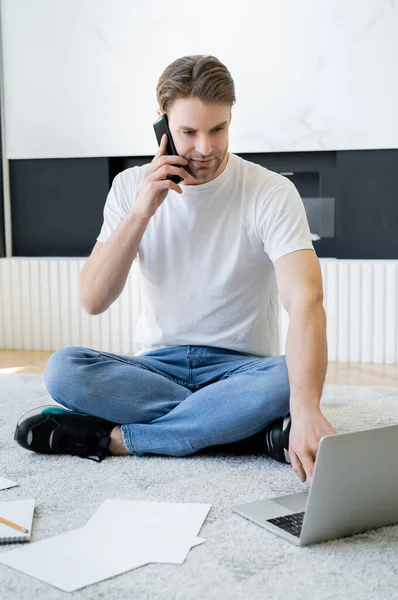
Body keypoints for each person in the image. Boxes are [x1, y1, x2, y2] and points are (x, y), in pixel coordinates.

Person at [14, 54, 336, 483]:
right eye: (188, 132)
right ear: (163, 122)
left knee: (288, 382)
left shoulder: (271, 191)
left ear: (231, 118)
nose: (205, 148)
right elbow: (93, 300)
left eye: (218, 129)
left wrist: (307, 407)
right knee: (63, 369)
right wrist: (142, 212)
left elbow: (306, 300)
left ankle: (119, 440)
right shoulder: (130, 188)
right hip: (155, 369)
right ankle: (241, 431)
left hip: (241, 369)